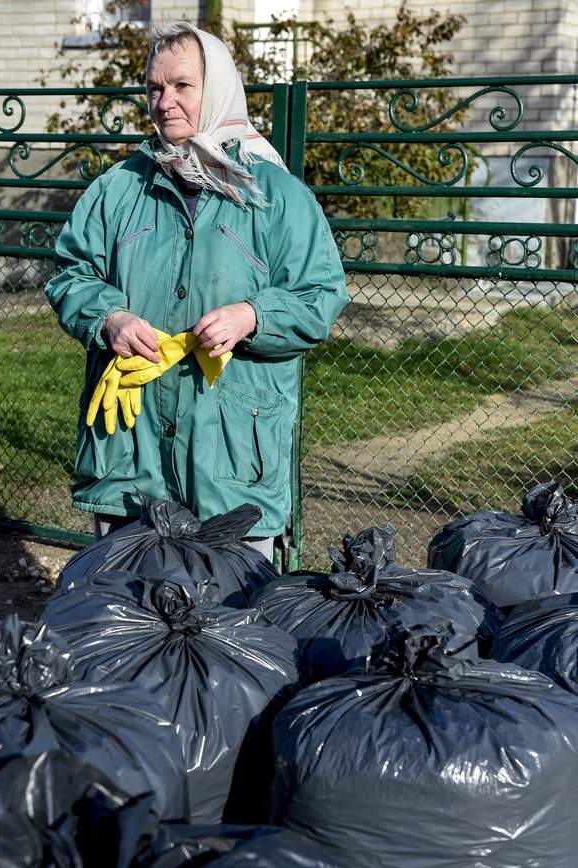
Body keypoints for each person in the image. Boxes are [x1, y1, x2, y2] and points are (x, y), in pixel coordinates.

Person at [45, 19, 349, 560]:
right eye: (155, 88)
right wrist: (108, 318)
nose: (165, 102)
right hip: (130, 452)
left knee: (229, 623)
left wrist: (252, 316)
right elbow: (71, 273)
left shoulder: (273, 195)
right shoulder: (117, 190)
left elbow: (320, 294)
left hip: (233, 455)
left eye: (182, 85)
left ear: (218, 89)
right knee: (125, 611)